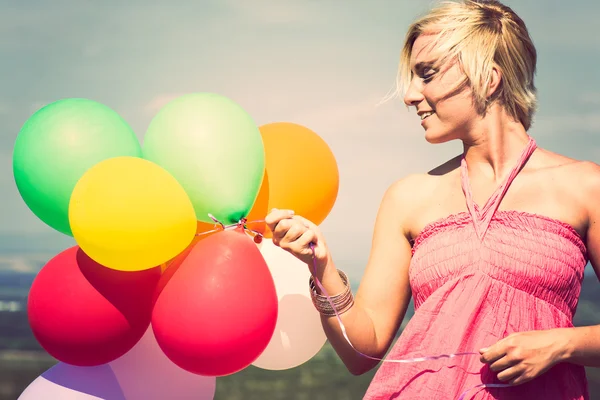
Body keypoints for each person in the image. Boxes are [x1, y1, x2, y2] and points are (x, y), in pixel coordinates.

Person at [265, 0, 600, 399]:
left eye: (427, 74)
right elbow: (362, 351)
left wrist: (560, 345)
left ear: (488, 78)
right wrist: (321, 267)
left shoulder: (584, 186)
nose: (410, 95)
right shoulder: (407, 197)